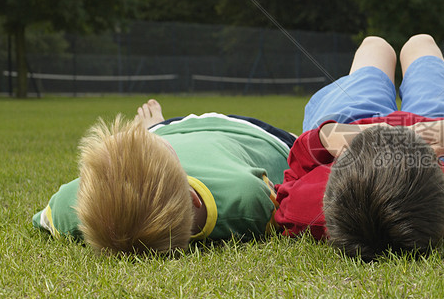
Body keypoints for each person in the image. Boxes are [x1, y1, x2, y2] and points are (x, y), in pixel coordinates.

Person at [273, 34, 444, 261]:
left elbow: (288, 185)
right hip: (438, 127)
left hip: (349, 125)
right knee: (421, 43)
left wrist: (326, 137)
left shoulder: (309, 210)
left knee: (374, 46)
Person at [33, 99, 295, 254]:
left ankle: (157, 126)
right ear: (193, 199)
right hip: (251, 133)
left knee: (158, 135)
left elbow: (46, 216)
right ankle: (157, 129)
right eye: (151, 141)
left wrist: (156, 133)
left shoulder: (70, 209)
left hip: (171, 130)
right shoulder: (245, 199)